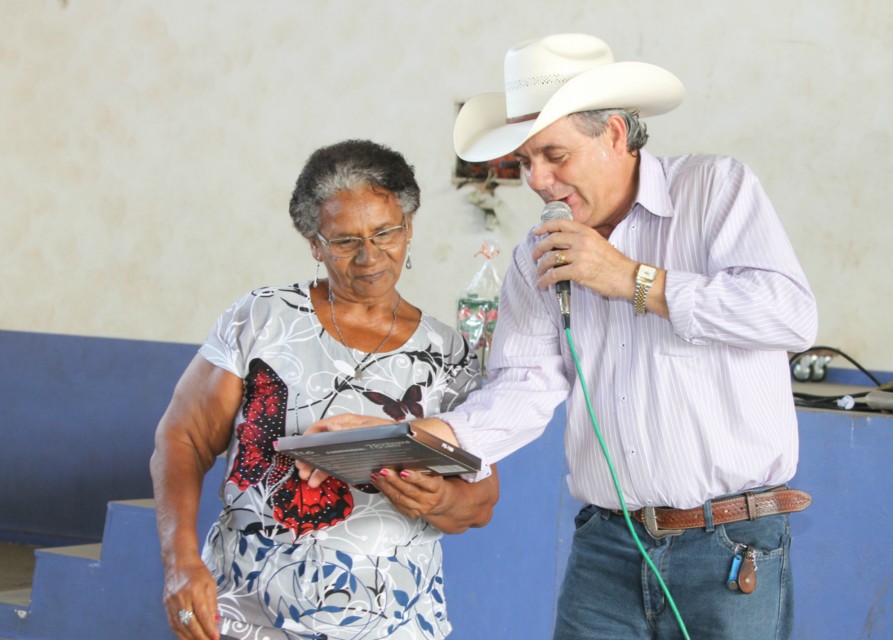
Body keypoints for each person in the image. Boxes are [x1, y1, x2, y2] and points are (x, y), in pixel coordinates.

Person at [317, 34, 819, 639]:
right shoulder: (539, 254)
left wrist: (629, 278)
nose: (537, 179)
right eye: (525, 161)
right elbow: (525, 385)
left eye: (553, 155)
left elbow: (789, 315)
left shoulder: (716, 190)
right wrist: (419, 438)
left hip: (730, 543)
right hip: (608, 544)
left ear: (612, 134)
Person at [150, 139, 499, 640]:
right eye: (344, 241)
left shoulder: (448, 354)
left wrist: (439, 497)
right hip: (248, 619)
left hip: (394, 624)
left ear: (409, 228)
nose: (369, 257)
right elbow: (183, 438)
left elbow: (483, 499)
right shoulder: (262, 319)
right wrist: (180, 561)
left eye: (385, 233)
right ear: (314, 243)